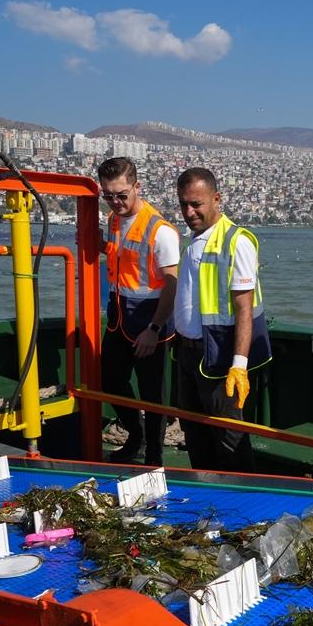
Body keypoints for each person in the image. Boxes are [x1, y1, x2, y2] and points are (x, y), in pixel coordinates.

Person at [173, 167, 271, 472]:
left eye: (197, 204)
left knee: (230, 441)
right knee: (194, 434)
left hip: (218, 358)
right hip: (187, 355)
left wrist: (238, 366)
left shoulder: (236, 241)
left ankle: (244, 501)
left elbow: (244, 308)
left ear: (216, 199)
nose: (189, 212)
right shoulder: (193, 242)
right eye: (184, 204)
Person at [98, 157, 179, 466]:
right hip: (118, 316)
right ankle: (137, 435)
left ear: (137, 187)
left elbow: (171, 286)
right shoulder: (113, 220)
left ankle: (154, 459)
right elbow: (118, 257)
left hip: (150, 320)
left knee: (153, 395)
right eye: (108, 195)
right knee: (110, 380)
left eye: (121, 194)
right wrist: (95, 245)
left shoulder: (161, 230)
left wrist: (154, 329)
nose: (115, 201)